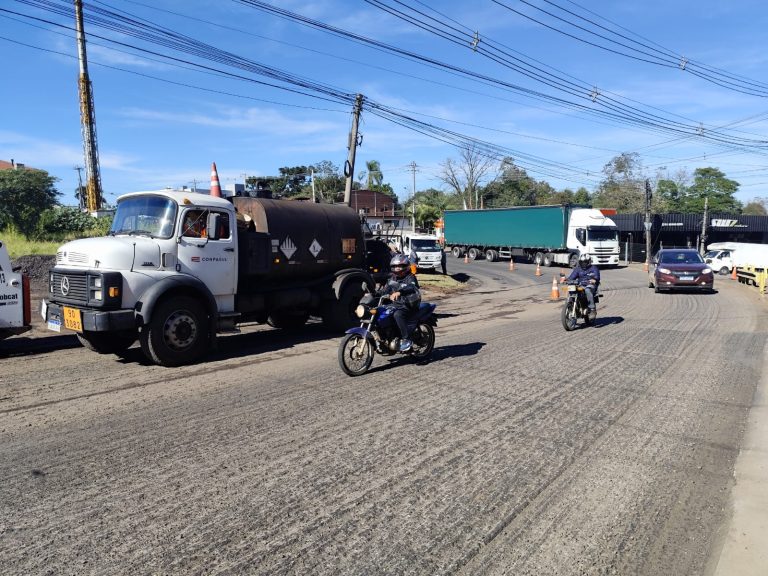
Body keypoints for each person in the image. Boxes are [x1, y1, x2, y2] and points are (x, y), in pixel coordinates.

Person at [379, 253, 421, 352]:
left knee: (398, 315)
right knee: (381, 313)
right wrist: (372, 294)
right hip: (396, 304)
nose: (397, 268)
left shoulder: (410, 277)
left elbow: (412, 287)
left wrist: (399, 292)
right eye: (395, 266)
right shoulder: (392, 278)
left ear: (405, 266)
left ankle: (406, 339)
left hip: (409, 304)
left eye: (400, 266)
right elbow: (385, 291)